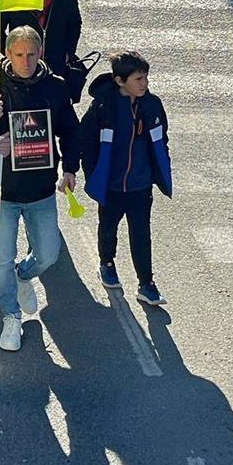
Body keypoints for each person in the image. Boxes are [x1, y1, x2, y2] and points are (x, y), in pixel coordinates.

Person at [0, 24, 81, 354]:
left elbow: (70, 131)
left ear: (40, 52)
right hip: (3, 191)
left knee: (48, 255)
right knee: (1, 259)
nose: (26, 61)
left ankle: (24, 275)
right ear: (7, 53)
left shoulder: (56, 87)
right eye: (19, 54)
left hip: (41, 189)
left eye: (32, 54)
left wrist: (71, 168)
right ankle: (11, 314)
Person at [79, 50, 172, 307]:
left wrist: (160, 171)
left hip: (140, 186)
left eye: (145, 78)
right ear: (120, 81)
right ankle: (107, 263)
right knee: (108, 228)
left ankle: (146, 283)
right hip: (111, 185)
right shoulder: (102, 107)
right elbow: (85, 140)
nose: (145, 84)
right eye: (138, 79)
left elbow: (162, 139)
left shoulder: (152, 105)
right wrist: (91, 173)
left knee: (141, 234)